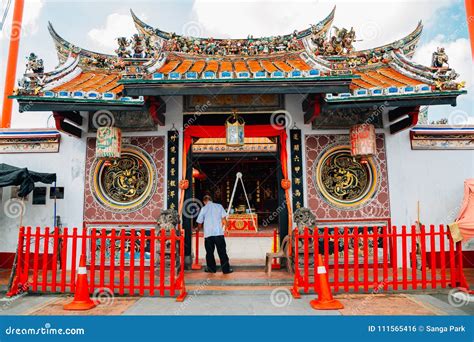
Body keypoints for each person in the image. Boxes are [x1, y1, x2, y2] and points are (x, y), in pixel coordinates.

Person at [196, 195, 233, 274]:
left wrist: (198, 229)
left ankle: (211, 269)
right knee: (222, 252)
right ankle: (226, 270)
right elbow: (224, 219)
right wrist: (226, 229)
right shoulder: (219, 206)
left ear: (204, 201)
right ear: (211, 200)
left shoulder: (204, 209)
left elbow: (199, 222)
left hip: (208, 235)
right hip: (218, 233)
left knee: (209, 253)